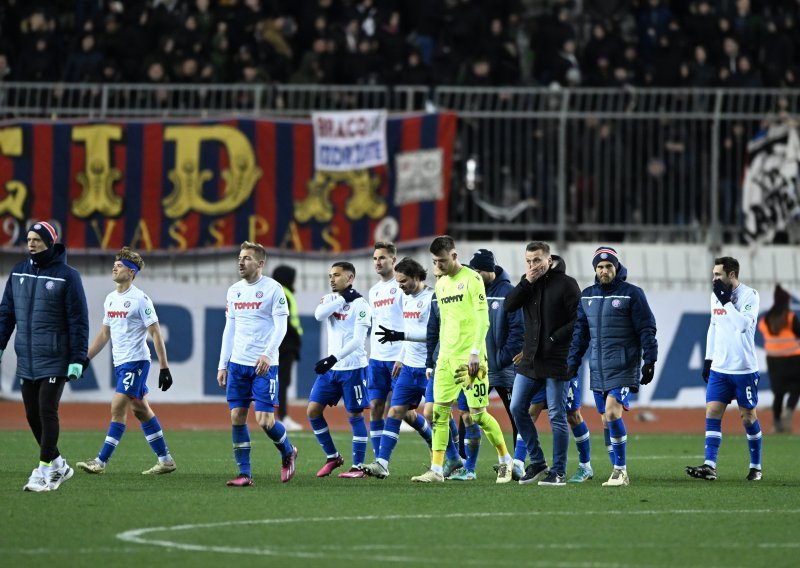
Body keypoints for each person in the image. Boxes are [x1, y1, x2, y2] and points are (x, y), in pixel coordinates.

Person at [412, 235, 513, 483]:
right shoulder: (441, 284)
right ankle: (436, 470)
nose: (438, 265)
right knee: (439, 413)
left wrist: (476, 352)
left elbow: (482, 319)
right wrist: (437, 358)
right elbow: (445, 323)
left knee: (477, 415)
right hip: (446, 359)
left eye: (442, 260)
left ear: (454, 256)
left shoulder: (473, 279)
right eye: (435, 261)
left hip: (471, 361)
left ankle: (505, 459)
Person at [0, 221, 89, 492]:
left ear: (50, 242)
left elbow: (78, 320)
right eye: (28, 239)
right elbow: (6, 313)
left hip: (55, 356)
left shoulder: (68, 276)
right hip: (27, 356)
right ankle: (59, 463)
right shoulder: (18, 272)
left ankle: (44, 471)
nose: (30, 244)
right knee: (31, 414)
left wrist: (77, 358)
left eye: (36, 239)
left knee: (47, 410)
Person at [75, 247, 176, 475]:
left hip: (137, 362)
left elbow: (156, 333)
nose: (114, 267)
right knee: (140, 410)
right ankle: (166, 460)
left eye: (119, 265)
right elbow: (104, 334)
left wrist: (164, 367)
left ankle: (100, 462)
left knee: (117, 407)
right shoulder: (110, 299)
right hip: (121, 364)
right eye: (114, 264)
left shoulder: (140, 299)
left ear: (131, 273)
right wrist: (86, 358)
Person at [567, 246, 658, 487]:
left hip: (623, 366)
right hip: (598, 369)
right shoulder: (587, 296)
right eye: (600, 267)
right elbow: (580, 334)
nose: (604, 270)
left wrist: (650, 360)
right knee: (606, 421)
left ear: (616, 268)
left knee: (612, 412)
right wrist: (572, 363)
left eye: (608, 266)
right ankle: (615, 467)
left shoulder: (632, 294)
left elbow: (646, 328)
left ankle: (620, 470)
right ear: (595, 270)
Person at [217, 241, 297, 487]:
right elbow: (229, 329)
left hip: (264, 365)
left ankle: (288, 451)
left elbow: (282, 326)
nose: (241, 262)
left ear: (260, 263)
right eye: (239, 258)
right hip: (238, 365)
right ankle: (244, 474)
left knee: (264, 420)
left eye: (247, 258)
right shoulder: (234, 291)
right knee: (237, 417)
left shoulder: (274, 290)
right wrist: (223, 364)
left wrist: (267, 354)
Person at [506, 241, 581, 487]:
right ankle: (538, 462)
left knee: (558, 416)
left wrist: (554, 338)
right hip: (530, 360)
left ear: (549, 260)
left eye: (537, 260)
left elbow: (578, 320)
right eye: (528, 261)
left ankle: (558, 471)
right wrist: (526, 281)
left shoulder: (567, 284)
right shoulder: (528, 283)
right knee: (517, 407)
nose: (532, 265)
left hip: (557, 360)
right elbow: (509, 306)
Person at [449, 248, 524, 481]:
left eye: (478, 270)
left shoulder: (509, 293)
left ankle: (518, 463)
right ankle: (463, 462)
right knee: (468, 413)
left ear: (489, 270)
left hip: (503, 368)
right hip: (476, 366)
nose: (475, 274)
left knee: (516, 414)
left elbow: (518, 333)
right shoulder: (471, 290)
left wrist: (500, 360)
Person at [687, 256, 762, 481]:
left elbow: (742, 326)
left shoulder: (751, 295)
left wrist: (726, 302)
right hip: (720, 368)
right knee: (712, 412)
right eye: (713, 275)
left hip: (744, 369)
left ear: (731, 275)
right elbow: (714, 326)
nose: (714, 279)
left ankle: (756, 467)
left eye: (718, 275)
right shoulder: (715, 296)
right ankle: (710, 465)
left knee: (748, 417)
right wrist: (709, 359)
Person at [360, 257, 434, 478]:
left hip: (429, 367)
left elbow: (432, 335)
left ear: (415, 277)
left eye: (403, 281)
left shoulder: (432, 299)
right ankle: (382, 463)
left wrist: (401, 336)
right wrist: (401, 357)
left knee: (437, 416)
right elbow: (409, 330)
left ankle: (453, 459)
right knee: (395, 411)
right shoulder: (405, 297)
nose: (399, 286)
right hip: (408, 365)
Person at [307, 261, 371, 478]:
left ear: (350, 278)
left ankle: (358, 467)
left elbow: (357, 341)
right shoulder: (330, 299)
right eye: (330, 275)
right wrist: (343, 298)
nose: (332, 279)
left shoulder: (361, 305)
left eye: (336, 275)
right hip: (332, 369)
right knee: (313, 411)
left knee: (354, 415)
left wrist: (333, 358)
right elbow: (319, 315)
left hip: (353, 367)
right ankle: (333, 456)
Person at [365, 242, 406, 457]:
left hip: (398, 358)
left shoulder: (401, 287)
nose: (377, 262)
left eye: (382, 258)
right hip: (377, 359)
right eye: (374, 258)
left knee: (406, 413)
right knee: (375, 407)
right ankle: (378, 457)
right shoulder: (373, 291)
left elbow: (408, 324)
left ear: (393, 260)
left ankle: (429, 437)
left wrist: (403, 355)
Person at [758, 285, 800, 433]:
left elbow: (761, 329)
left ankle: (776, 424)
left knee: (778, 393)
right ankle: (788, 413)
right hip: (793, 359)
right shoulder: (789, 317)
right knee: (797, 388)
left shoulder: (766, 320)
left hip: (774, 361)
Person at [272, 265, 304, 432]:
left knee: (283, 382)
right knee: (282, 382)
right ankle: (283, 417)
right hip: (285, 345)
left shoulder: (282, 291)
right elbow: (286, 321)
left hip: (285, 345)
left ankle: (281, 416)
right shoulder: (283, 293)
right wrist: (296, 338)